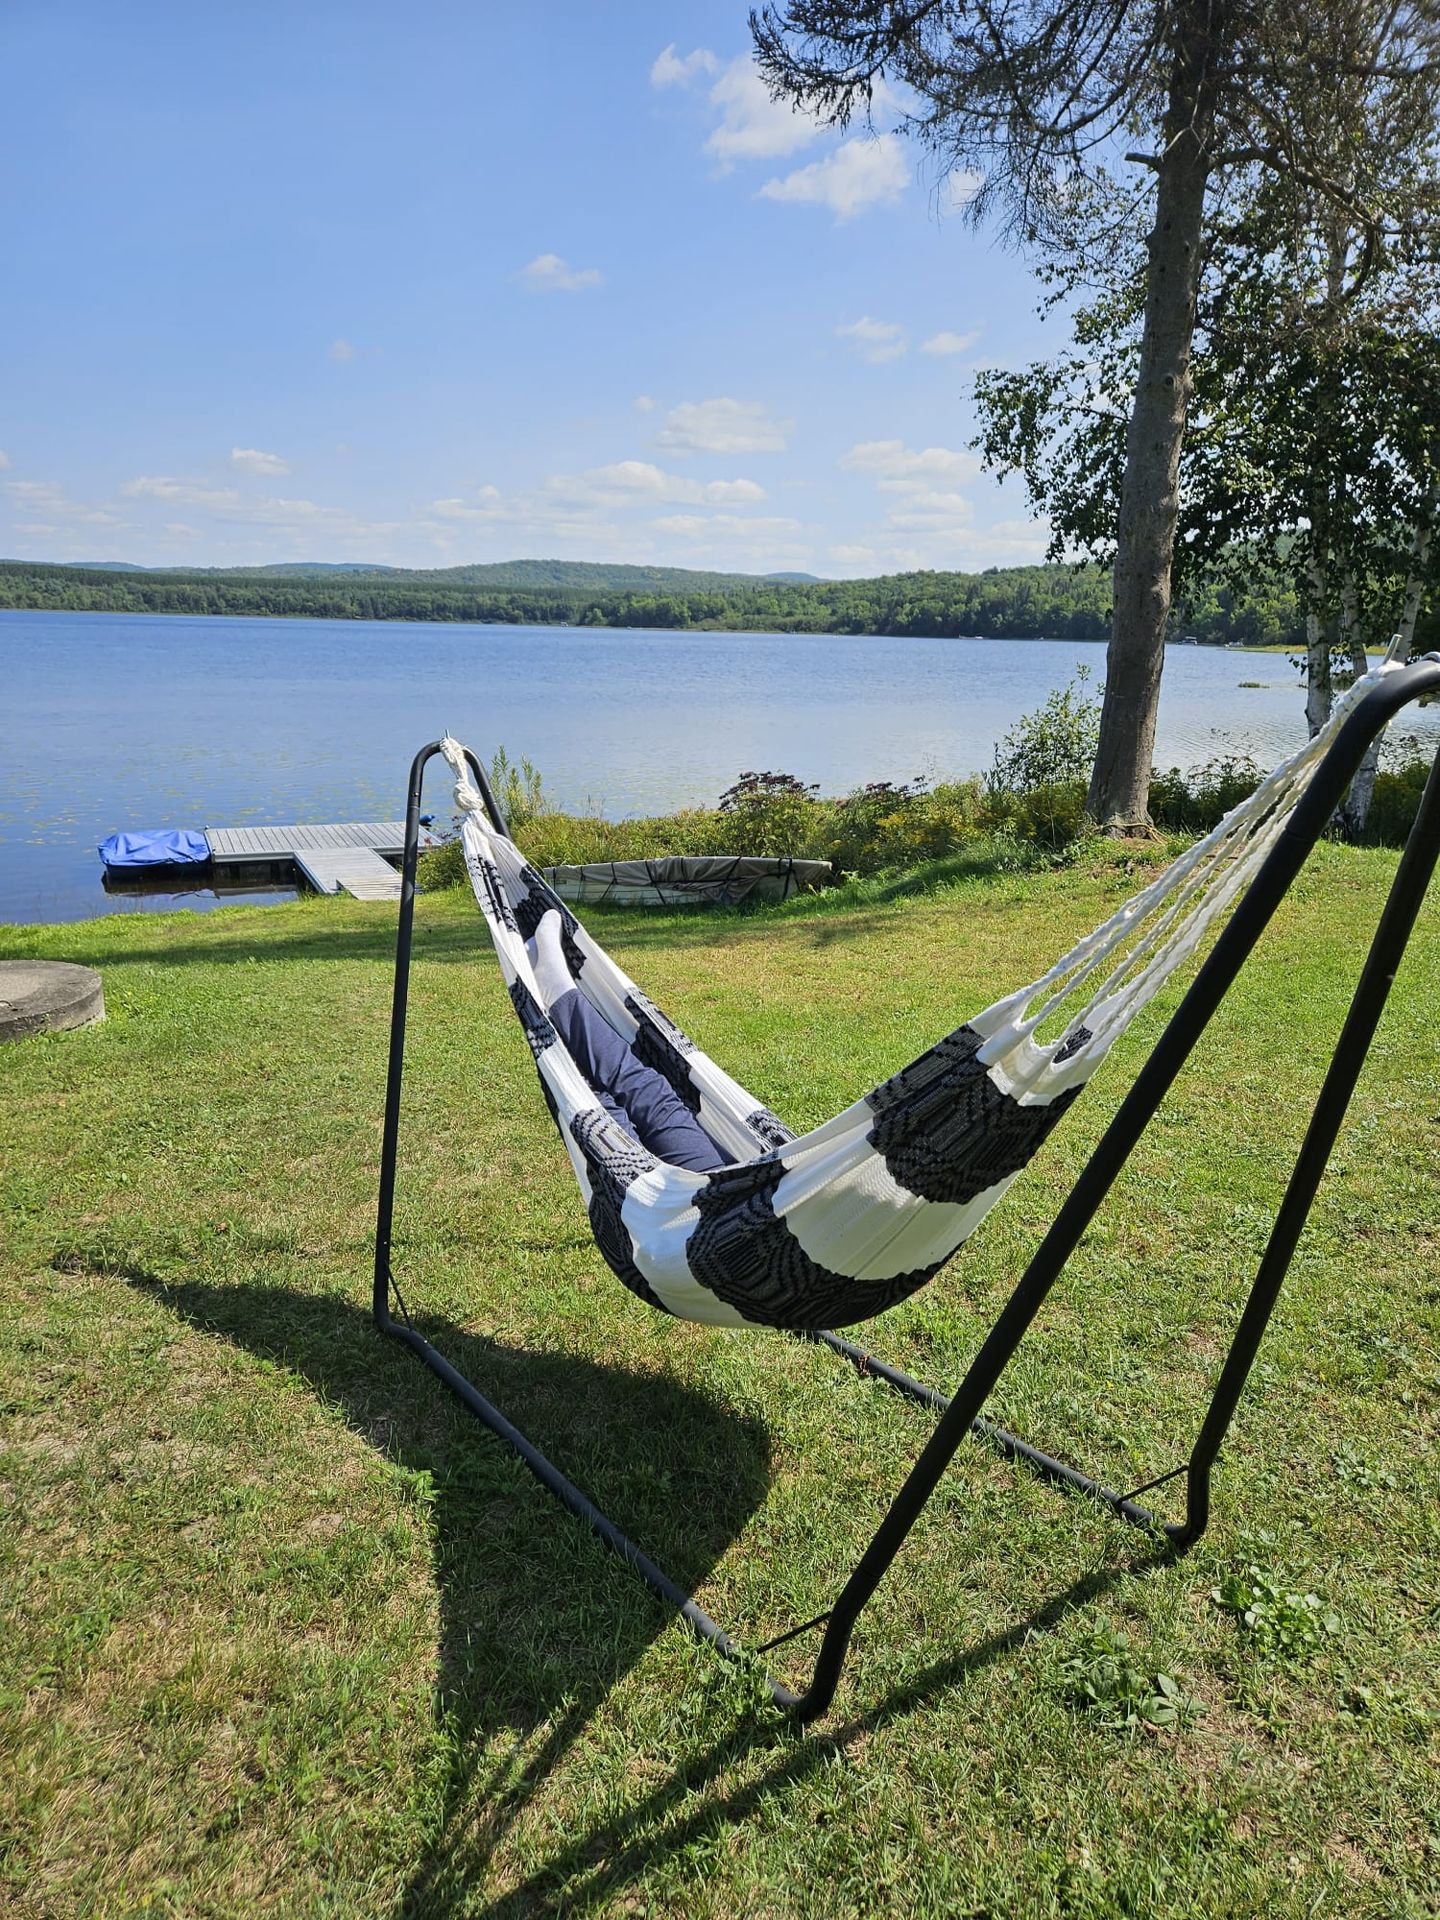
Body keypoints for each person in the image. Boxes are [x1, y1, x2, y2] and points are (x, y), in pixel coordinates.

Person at [527, 910, 727, 1173]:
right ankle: (556, 992)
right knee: (654, 1095)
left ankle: (557, 1001)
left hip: (697, 1198)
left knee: (609, 1128)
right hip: (739, 1183)